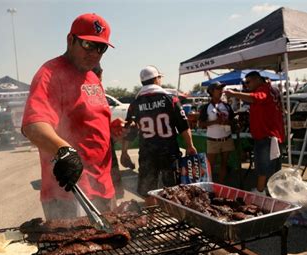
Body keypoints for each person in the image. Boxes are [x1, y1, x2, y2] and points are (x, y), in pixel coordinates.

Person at [21, 13, 123, 220]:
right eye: (88, 44)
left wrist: (117, 131)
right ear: (71, 40)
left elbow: (92, 123)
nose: (94, 53)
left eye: (101, 48)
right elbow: (34, 125)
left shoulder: (93, 77)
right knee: (77, 250)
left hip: (103, 186)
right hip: (71, 191)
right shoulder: (50, 73)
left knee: (113, 247)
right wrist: (64, 151)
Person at [120, 65, 197, 205]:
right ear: (156, 79)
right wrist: (190, 145)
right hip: (169, 152)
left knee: (148, 191)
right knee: (174, 190)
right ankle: (174, 218)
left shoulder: (135, 104)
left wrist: (124, 151)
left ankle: (151, 219)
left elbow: (130, 130)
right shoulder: (170, 99)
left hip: (147, 153)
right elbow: (183, 126)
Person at [224, 71, 285, 195]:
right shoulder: (272, 89)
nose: (246, 85)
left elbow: (254, 98)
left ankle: (260, 191)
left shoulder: (263, 89)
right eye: (244, 83)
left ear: (257, 79)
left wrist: (234, 93)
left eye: (248, 82)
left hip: (265, 136)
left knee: (263, 167)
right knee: (273, 168)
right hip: (273, 134)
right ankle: (273, 192)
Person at [92, 63, 124, 198]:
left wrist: (112, 127)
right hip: (95, 157)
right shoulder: (89, 92)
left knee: (111, 194)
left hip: (105, 150)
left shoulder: (98, 92)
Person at [198, 82, 235, 184]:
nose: (221, 91)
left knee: (224, 164)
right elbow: (201, 124)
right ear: (211, 91)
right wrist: (215, 122)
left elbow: (233, 121)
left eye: (222, 89)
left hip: (226, 139)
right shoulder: (206, 107)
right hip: (213, 141)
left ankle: (221, 185)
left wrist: (228, 122)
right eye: (218, 89)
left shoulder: (227, 106)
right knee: (210, 165)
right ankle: (208, 186)